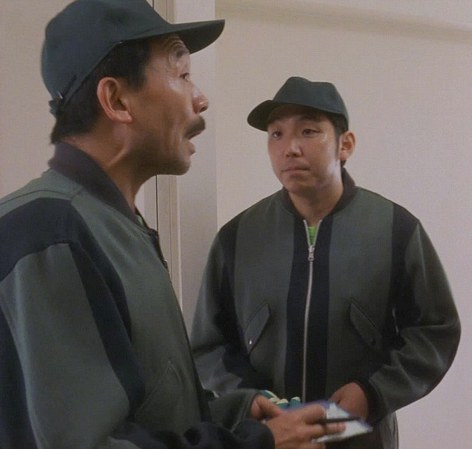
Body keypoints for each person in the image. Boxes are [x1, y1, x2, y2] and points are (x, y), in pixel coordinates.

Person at [0, 1, 342, 448]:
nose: (200, 99)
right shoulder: (50, 234)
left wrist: (232, 413)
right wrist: (255, 443)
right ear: (117, 100)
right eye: (182, 75)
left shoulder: (115, 224)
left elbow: (144, 405)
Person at [190, 76, 461, 449]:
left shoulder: (395, 229)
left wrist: (372, 392)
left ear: (345, 144)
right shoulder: (237, 238)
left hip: (362, 438)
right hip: (270, 437)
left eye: (308, 131)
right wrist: (249, 400)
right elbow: (209, 345)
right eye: (276, 134)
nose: (290, 148)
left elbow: (435, 330)